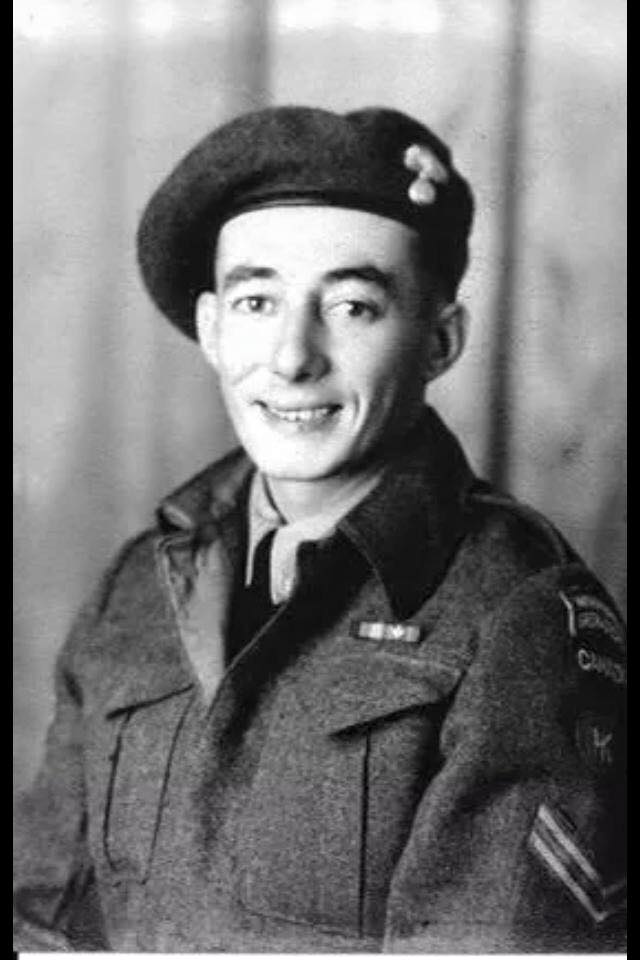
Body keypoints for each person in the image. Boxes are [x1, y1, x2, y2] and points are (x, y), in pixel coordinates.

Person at [13, 105, 626, 953]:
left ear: (440, 340)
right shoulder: (136, 586)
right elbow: (42, 922)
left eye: (352, 307)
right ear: (212, 329)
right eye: (257, 301)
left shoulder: (518, 612)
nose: (293, 357)